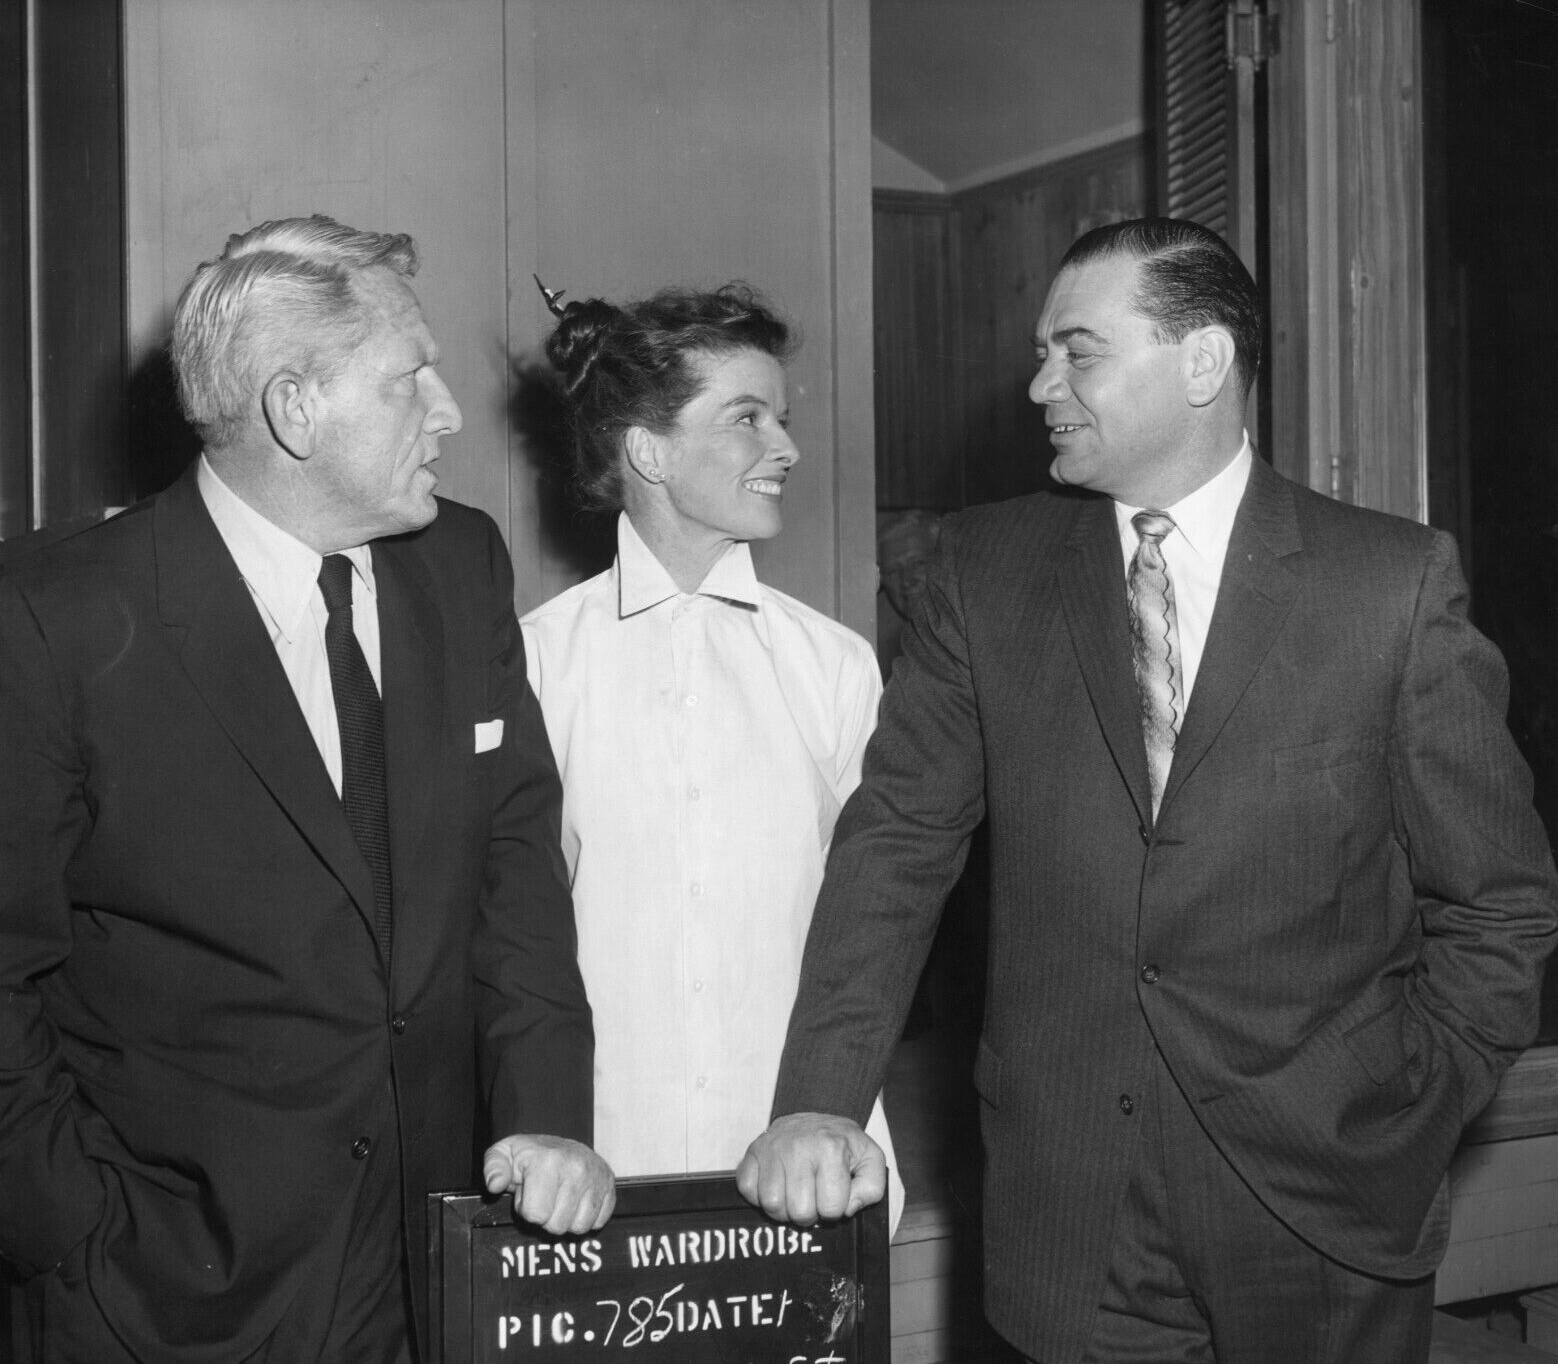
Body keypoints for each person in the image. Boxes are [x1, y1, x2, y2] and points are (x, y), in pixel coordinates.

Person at [738, 217, 1558, 1363]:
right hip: (1073, 1208)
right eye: (1040, 353)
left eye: (1077, 352)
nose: (1040, 386)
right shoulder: (979, 572)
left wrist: (1409, 1103)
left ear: (1202, 361)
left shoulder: (1389, 584)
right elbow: (896, 845)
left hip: (1326, 1206)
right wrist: (819, 1095)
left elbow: (1498, 902)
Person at [0, 215, 613, 1364]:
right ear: (293, 408)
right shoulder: (52, 615)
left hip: (435, 1260)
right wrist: (74, 1231)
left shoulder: (462, 563)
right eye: (408, 378)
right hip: (163, 1288)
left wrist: (543, 1118)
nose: (448, 411)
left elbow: (514, 866)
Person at [520, 282, 900, 1226]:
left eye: (781, 418)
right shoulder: (532, 663)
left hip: (804, 1172)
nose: (786, 447)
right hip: (592, 1179)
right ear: (647, 451)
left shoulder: (835, 665)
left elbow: (876, 926)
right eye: (746, 417)